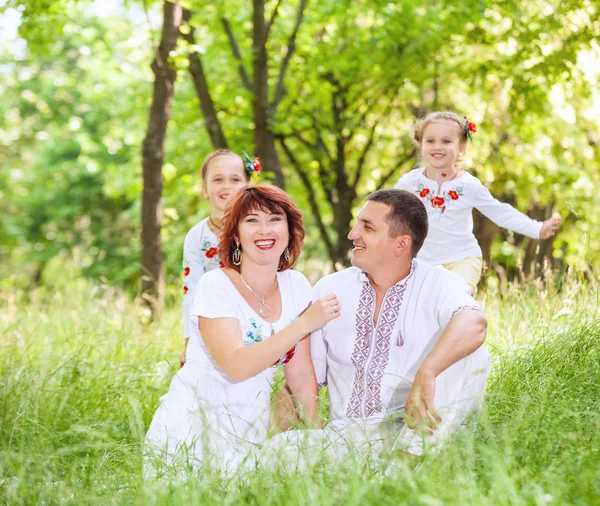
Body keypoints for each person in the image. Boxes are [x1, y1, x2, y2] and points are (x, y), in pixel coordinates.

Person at [258, 189, 491, 470]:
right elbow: (301, 384)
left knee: (471, 356)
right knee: (274, 453)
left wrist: (427, 371)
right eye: (358, 223)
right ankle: (372, 481)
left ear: (401, 244)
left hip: (415, 433)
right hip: (346, 438)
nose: (352, 233)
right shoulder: (331, 289)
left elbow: (474, 323)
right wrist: (255, 442)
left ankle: (399, 476)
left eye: (367, 227)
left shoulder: (438, 284)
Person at [145, 185, 340, 476]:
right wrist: (304, 323)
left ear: (290, 231)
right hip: (193, 427)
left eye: (275, 219)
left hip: (250, 427)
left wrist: (318, 438)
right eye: (252, 221)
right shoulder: (215, 286)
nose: (265, 230)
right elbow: (236, 366)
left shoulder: (296, 285)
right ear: (236, 235)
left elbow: (300, 373)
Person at [395, 111, 561, 293]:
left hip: (463, 258)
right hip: (425, 262)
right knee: (426, 308)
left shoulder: (468, 185)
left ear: (461, 148)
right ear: (420, 145)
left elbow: (499, 211)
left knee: (456, 296)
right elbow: (385, 211)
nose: (438, 146)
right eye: (430, 141)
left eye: (446, 141)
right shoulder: (409, 183)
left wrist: (537, 228)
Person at [181, 149, 258, 367]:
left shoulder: (259, 230)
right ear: (204, 189)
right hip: (212, 322)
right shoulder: (197, 236)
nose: (227, 186)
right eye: (218, 180)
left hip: (254, 320)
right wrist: (189, 340)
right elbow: (191, 290)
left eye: (235, 179)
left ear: (248, 187)